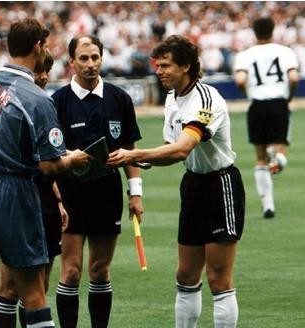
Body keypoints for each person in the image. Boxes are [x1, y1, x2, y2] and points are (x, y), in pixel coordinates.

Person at [0, 18, 90, 328]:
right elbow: (50, 164)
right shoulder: (37, 98)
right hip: (11, 190)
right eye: (46, 46)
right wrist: (73, 159)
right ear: (38, 47)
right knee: (34, 295)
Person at [107, 35, 245, 328]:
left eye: (166, 65)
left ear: (185, 66)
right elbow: (172, 151)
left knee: (218, 278)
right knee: (185, 275)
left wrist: (135, 152)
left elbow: (183, 148)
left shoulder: (207, 99)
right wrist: (134, 160)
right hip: (193, 184)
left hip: (221, 186)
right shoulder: (172, 98)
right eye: (158, 65)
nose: (159, 72)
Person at [52, 35, 143, 328]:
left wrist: (136, 193)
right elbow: (49, 152)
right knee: (71, 271)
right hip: (71, 194)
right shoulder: (58, 102)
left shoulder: (119, 98)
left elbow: (130, 149)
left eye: (95, 58)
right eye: (84, 59)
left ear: (102, 59)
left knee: (101, 270)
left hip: (108, 193)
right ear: (72, 63)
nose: (90, 64)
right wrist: (70, 155)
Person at [0, 51, 66, 328]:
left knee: (40, 286)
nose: (43, 76)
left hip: (42, 199)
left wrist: (57, 198)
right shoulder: (20, 104)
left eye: (47, 71)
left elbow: (43, 159)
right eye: (39, 71)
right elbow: (47, 163)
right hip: (17, 199)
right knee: (10, 287)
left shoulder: (43, 103)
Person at [233, 17, 300, 219]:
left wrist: (249, 92)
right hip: (279, 103)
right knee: (280, 154)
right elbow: (294, 77)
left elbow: (240, 79)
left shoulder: (245, 54)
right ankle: (278, 159)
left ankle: (268, 206)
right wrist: (288, 96)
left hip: (257, 105)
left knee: (260, 159)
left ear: (254, 32)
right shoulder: (284, 51)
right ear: (273, 30)